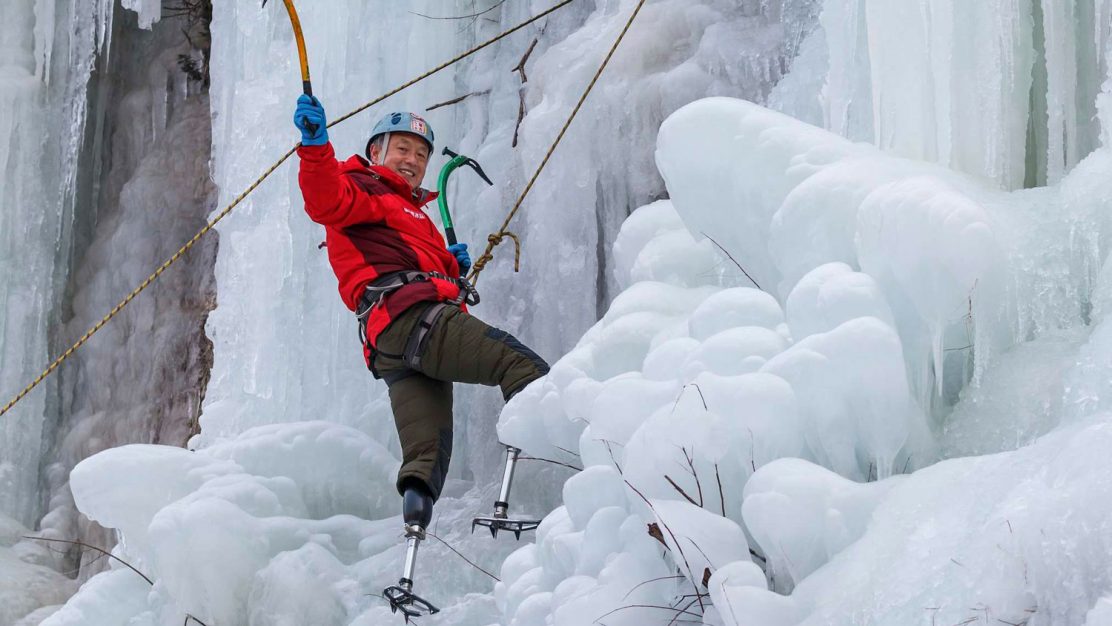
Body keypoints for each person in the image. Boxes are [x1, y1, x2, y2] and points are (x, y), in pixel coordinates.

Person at [292, 94, 550, 540]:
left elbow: (403, 259)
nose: (412, 160)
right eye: (402, 149)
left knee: (425, 457)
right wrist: (315, 147)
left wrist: (450, 267)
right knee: (523, 366)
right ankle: (543, 482)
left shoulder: (411, 212)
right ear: (376, 152)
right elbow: (325, 200)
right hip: (414, 320)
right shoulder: (363, 187)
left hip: (391, 345)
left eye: (421, 154)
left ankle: (409, 560)